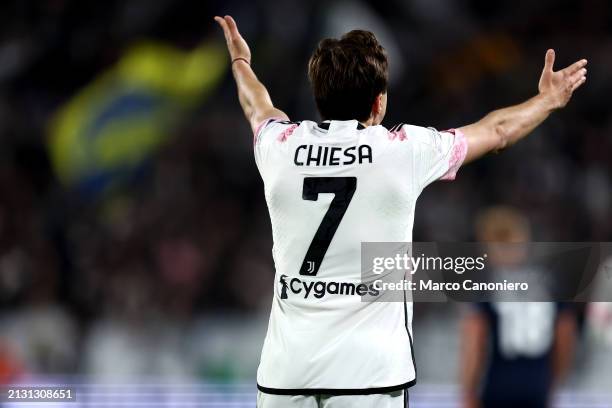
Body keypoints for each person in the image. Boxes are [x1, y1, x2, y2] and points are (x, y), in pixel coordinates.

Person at [214, 14, 587, 408]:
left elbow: (257, 106)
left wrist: (241, 62)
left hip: (284, 377)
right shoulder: (403, 150)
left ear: (318, 98)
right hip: (371, 378)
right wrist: (547, 100)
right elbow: (497, 131)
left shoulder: (281, 145)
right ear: (379, 102)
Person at [461, 207, 577, 408]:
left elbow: (474, 338)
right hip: (537, 387)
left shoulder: (489, 283)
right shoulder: (548, 283)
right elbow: (566, 333)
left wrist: (468, 391)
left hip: (497, 388)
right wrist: (553, 382)